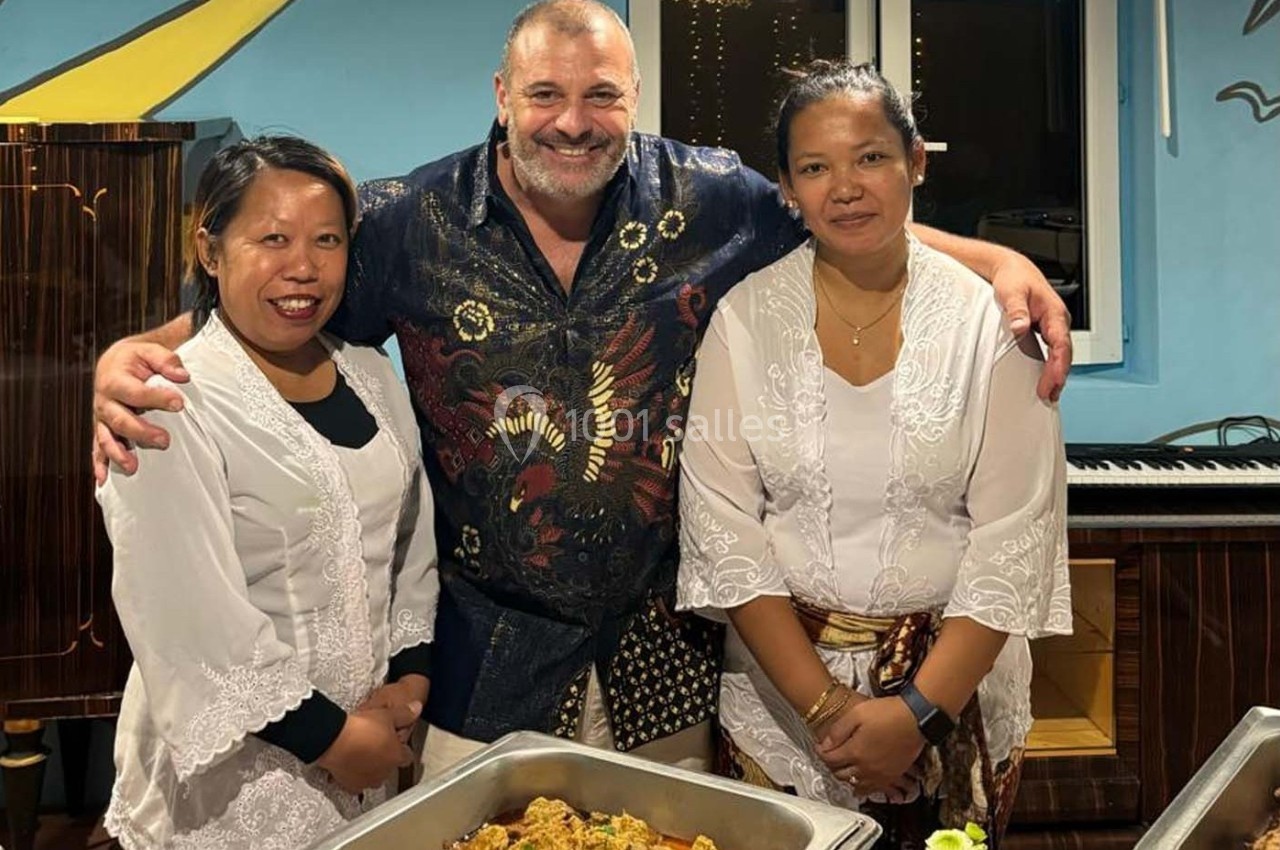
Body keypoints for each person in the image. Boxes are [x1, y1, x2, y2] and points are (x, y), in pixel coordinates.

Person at [91, 0, 1072, 778]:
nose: (571, 121)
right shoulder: (406, 222)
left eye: (600, 94)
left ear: (634, 96)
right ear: (501, 94)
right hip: (482, 669)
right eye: (544, 94)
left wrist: (993, 261)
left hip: (669, 663)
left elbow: (845, 214)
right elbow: (286, 298)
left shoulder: (712, 202)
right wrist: (142, 349)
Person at [675, 60, 1070, 849]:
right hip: (783, 710)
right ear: (787, 188)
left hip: (954, 703)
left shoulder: (991, 325)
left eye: (871, 158)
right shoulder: (746, 318)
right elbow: (723, 528)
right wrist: (829, 710)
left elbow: (1014, 535)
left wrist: (916, 715)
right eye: (815, 168)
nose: (846, 188)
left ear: (915, 161)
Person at [96, 137, 440, 849]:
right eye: (273, 239)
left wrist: (409, 683)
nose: (303, 268)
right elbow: (184, 616)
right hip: (237, 789)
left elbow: (411, 544)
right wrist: (333, 741)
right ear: (210, 249)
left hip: (370, 751)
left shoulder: (371, 375)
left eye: (327, 240)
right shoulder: (168, 404)